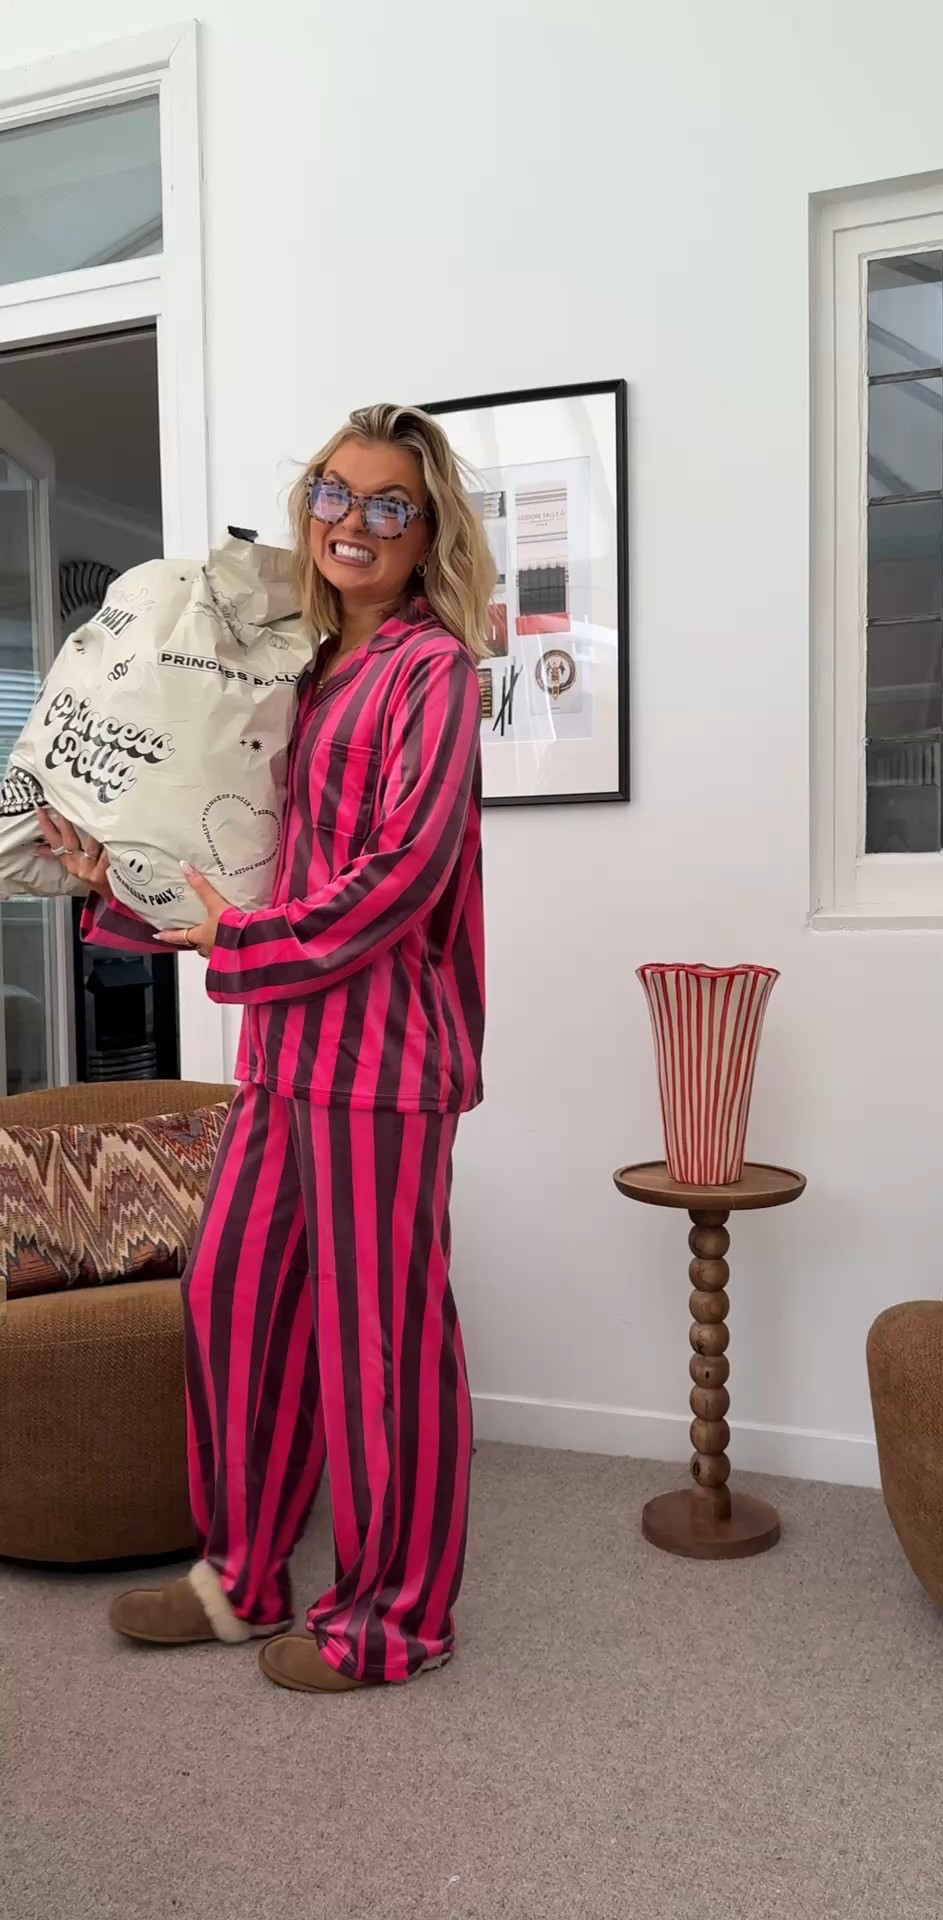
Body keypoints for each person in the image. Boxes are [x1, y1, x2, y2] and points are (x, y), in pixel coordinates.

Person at [40, 404, 495, 1693]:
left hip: (384, 1062)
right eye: (335, 493)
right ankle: (241, 1580)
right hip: (284, 1051)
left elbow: (402, 875)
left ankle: (392, 1620)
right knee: (234, 1300)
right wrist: (115, 871)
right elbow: (234, 843)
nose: (355, 521)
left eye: (389, 504)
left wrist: (239, 945)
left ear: (427, 532)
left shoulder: (434, 672)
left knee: (380, 1346)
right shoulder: (295, 664)